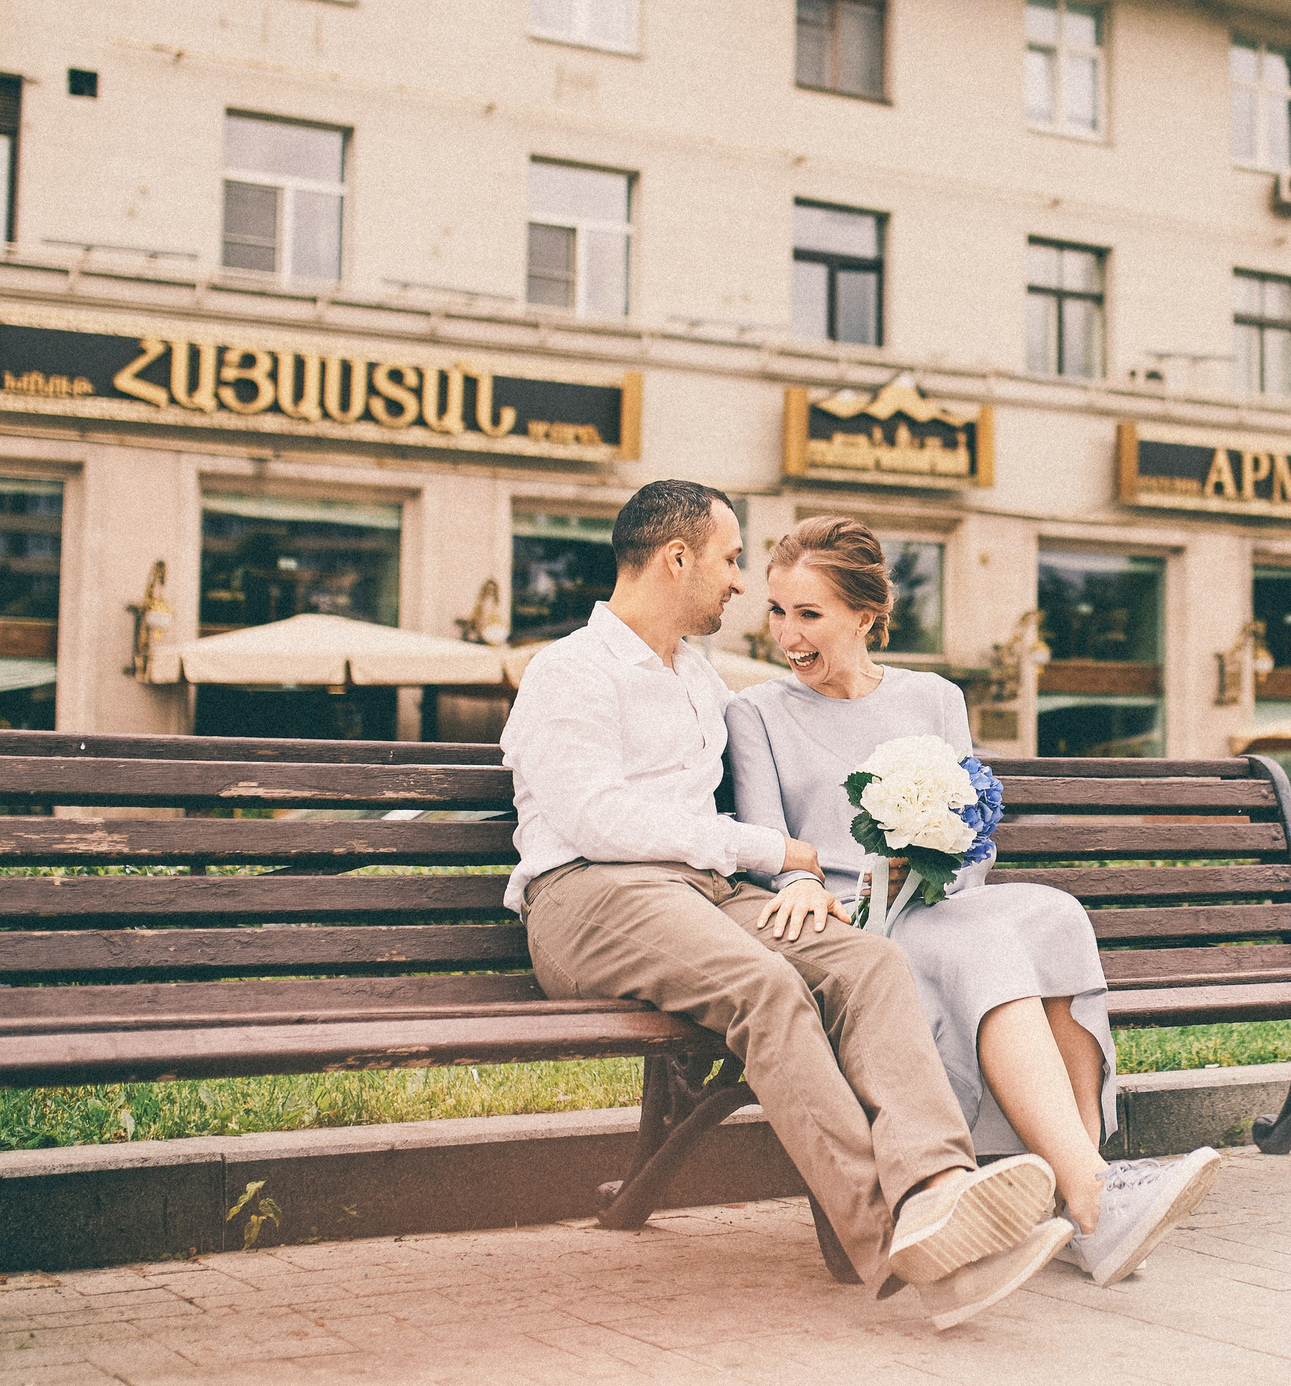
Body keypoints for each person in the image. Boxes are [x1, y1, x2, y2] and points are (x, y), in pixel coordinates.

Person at [499, 479, 1072, 1330]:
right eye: (732, 560)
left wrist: (785, 875)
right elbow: (594, 817)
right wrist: (773, 853)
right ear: (677, 557)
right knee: (764, 985)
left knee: (867, 961)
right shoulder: (570, 669)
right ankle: (900, 1243)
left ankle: (940, 1185)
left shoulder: (699, 678)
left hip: (699, 892)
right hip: (588, 892)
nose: (739, 583)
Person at [725, 515, 1220, 1287]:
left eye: (809, 613)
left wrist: (935, 857)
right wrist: (800, 881)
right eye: (778, 611)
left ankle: (1075, 1184)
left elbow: (975, 840)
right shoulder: (756, 712)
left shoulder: (934, 697)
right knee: (982, 945)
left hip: (935, 896)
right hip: (851, 923)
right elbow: (767, 846)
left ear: (864, 615)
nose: (788, 634)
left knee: (1057, 914)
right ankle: (1092, 1193)